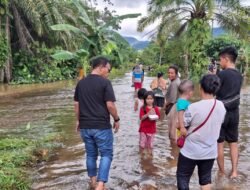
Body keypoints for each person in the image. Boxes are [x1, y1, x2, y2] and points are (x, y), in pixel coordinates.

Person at [74, 56, 120, 190]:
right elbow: (110, 105)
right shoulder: (105, 83)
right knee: (106, 154)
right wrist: (116, 119)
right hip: (101, 126)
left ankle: (93, 182)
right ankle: (100, 186)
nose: (108, 72)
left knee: (91, 155)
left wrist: (78, 120)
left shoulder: (81, 83)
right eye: (108, 69)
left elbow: (76, 105)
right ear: (101, 67)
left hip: (85, 126)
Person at [176, 74, 226, 190]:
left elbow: (181, 126)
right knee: (205, 180)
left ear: (201, 88)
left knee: (183, 177)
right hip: (209, 152)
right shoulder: (221, 106)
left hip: (190, 151)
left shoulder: (193, 107)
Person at [216, 47, 243, 179]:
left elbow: (214, 91)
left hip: (221, 112)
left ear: (226, 59)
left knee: (219, 143)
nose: (220, 62)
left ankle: (221, 172)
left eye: (220, 59)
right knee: (233, 142)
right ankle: (234, 172)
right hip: (234, 112)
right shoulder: (239, 75)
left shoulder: (221, 74)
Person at [139, 91, 160, 156]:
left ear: (153, 99)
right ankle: (141, 156)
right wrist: (148, 114)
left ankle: (150, 156)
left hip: (152, 129)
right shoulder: (143, 108)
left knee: (150, 145)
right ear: (145, 99)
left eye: (151, 99)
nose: (149, 100)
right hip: (143, 129)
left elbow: (158, 117)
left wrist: (154, 115)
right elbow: (141, 118)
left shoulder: (156, 108)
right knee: (142, 144)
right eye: (148, 99)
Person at [165, 65, 181, 141]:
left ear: (176, 73)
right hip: (178, 108)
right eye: (169, 73)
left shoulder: (174, 83)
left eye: (172, 73)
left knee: (172, 133)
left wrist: (163, 107)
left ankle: (173, 150)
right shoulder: (178, 81)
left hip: (174, 108)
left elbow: (171, 100)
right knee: (175, 131)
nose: (170, 75)